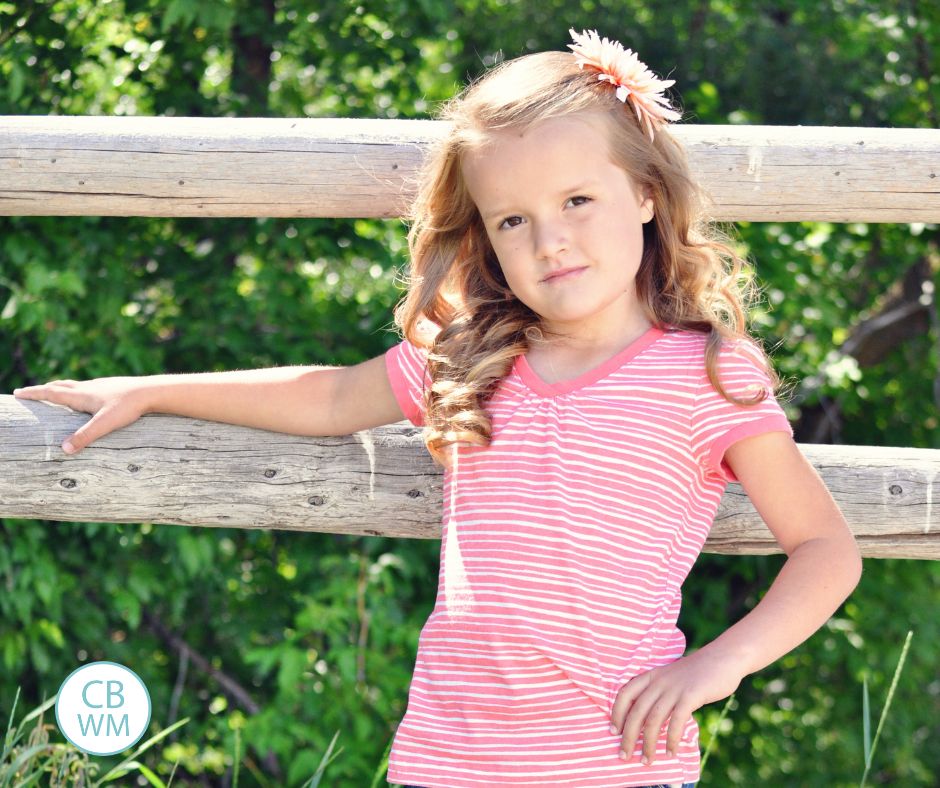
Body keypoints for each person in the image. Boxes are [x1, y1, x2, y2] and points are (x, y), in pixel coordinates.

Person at [13, 28, 861, 788]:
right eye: (513, 220)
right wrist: (152, 389)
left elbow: (826, 550)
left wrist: (717, 666)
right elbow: (333, 395)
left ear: (645, 193)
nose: (550, 240)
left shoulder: (706, 374)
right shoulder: (475, 356)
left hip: (613, 762)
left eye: (577, 201)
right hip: (448, 758)